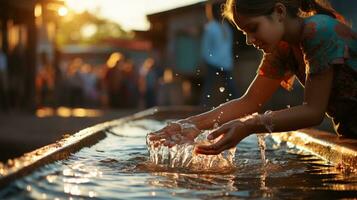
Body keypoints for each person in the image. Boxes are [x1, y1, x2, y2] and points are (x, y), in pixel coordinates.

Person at [148, 0, 357, 155]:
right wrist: (189, 124)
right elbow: (249, 102)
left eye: (253, 29)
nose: (249, 40)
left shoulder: (318, 31)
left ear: (279, 12)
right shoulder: (282, 48)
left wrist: (248, 125)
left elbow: (313, 112)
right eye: (244, 32)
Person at [201, 0, 238, 107]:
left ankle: (236, 108)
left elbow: (207, 47)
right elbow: (206, 47)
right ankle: (203, 109)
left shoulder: (219, 27)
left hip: (220, 62)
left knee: (222, 87)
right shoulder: (218, 27)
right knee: (215, 87)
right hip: (219, 62)